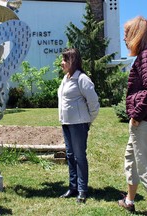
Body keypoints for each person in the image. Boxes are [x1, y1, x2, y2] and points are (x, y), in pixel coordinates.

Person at [118, 16, 147, 216]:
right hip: (143, 120)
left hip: (145, 121)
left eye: (127, 33)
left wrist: (137, 115)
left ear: (137, 34)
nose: (124, 38)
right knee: (131, 160)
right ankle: (129, 200)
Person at [58, 48, 100, 203]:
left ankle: (82, 190)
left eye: (64, 60)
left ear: (72, 61)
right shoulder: (66, 79)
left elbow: (94, 104)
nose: (61, 63)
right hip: (67, 124)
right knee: (70, 156)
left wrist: (88, 121)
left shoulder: (82, 79)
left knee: (79, 157)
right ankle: (73, 187)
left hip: (78, 124)